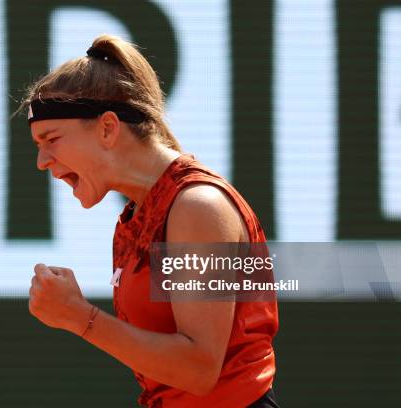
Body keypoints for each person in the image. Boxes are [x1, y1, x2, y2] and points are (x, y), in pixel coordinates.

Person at [24, 34, 279, 408]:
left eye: (52, 139)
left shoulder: (198, 207)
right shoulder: (138, 217)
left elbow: (198, 369)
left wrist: (80, 317)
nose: (42, 161)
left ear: (108, 128)